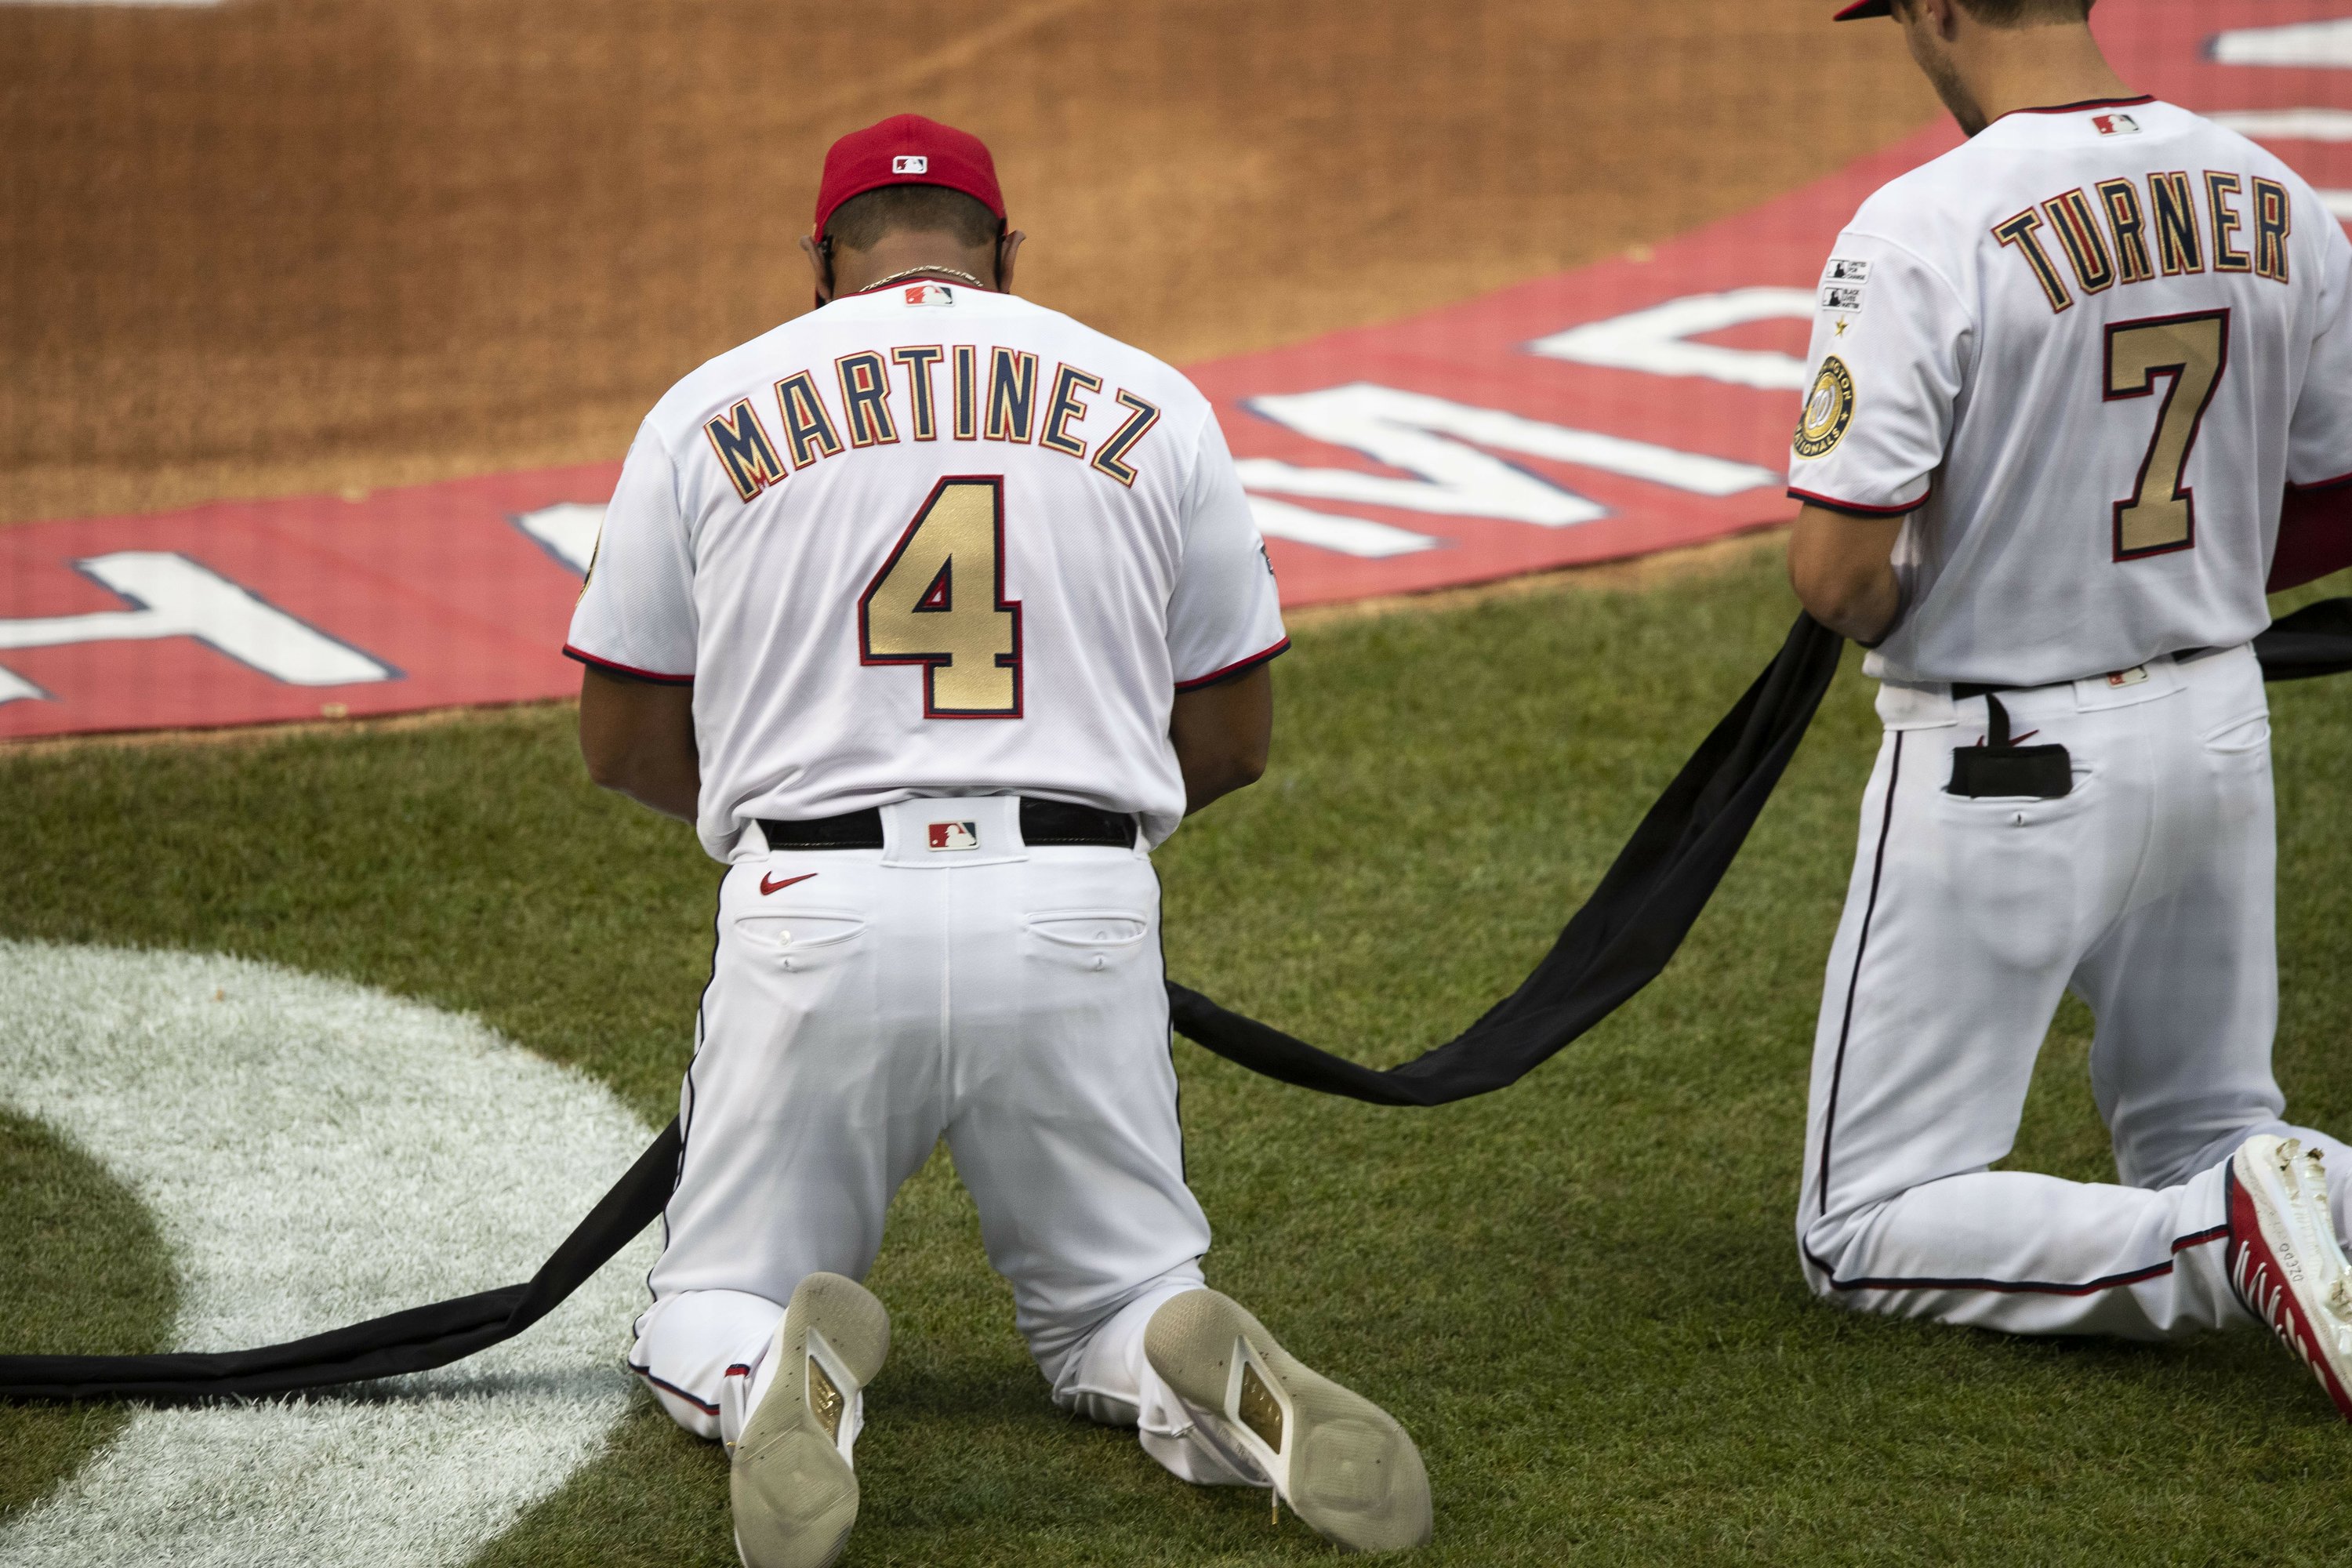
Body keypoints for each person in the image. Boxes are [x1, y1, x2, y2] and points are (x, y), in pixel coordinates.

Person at [563, 113, 1432, 1566]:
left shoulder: (706, 409)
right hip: (1076, 902)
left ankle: (768, 1372)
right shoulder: (1154, 401)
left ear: (819, 262)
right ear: (1005, 252)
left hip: (818, 903)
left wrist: (778, 836)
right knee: (1115, 1299)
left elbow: (619, 738)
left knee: (711, 1296)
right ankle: (1179, 1345)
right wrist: (1070, 850)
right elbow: (1232, 737)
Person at [1784, 0, 2352, 1411]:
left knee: (1863, 1224)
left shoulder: (1919, 228)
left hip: (2007, 767)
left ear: (1938, 10)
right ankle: (2256, 1199)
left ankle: (2218, 1243)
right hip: (2217, 727)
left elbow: (1838, 574)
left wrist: (1980, 592)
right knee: (2212, 1126)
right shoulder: (2270, 189)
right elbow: (2336, 495)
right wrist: (2171, 575)